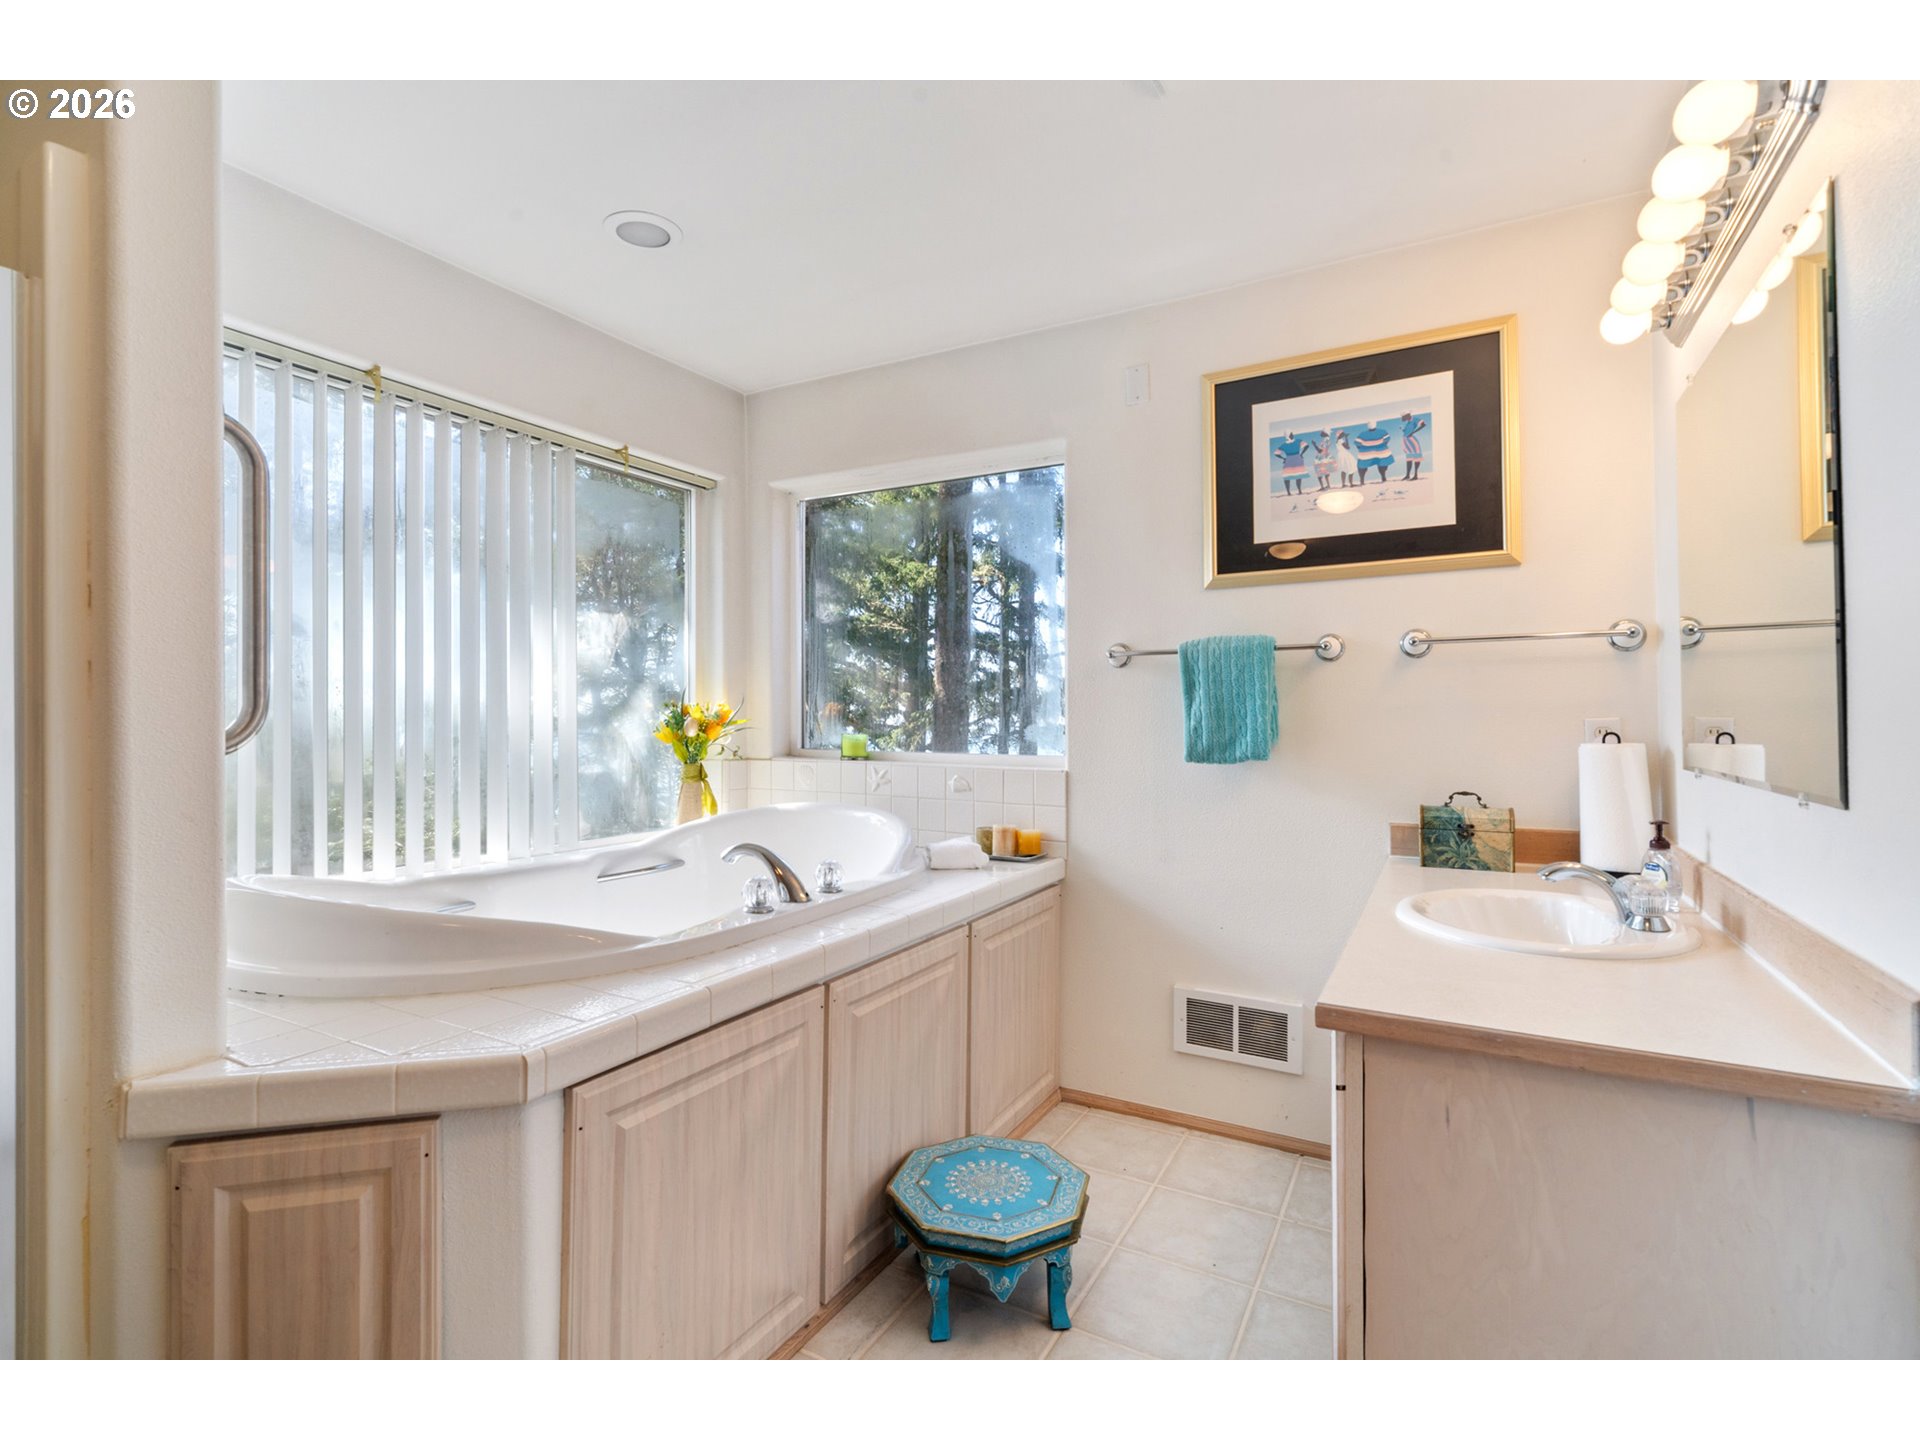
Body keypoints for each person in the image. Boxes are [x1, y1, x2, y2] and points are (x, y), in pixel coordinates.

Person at [1270, 431, 1315, 496]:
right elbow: (1306, 446)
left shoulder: (1284, 445)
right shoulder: (1298, 441)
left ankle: (1292, 492)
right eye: (1291, 434)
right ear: (1287, 436)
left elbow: (1276, 453)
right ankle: (1297, 491)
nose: (1292, 435)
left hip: (1289, 460)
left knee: (1289, 477)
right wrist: (1301, 454)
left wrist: (1283, 458)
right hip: (1297, 459)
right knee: (1294, 476)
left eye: (1292, 434)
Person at [1399, 411, 1429, 481]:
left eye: (1403, 417)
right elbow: (1406, 432)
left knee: (1417, 456)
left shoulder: (1414, 419)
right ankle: (1407, 475)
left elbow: (1424, 425)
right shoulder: (1408, 422)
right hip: (1406, 441)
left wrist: (1413, 432)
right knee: (1409, 458)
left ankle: (1415, 475)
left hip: (1411, 440)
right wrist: (1402, 429)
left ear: (1407, 415)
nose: (1402, 418)